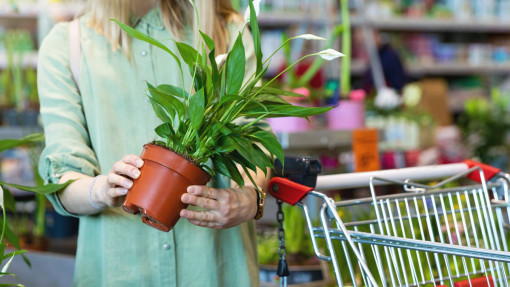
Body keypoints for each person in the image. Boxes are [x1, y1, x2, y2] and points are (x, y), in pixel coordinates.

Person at [37, 0, 268, 286]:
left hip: (217, 271)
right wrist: (101, 189)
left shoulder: (227, 32)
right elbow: (62, 175)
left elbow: (254, 141)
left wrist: (248, 199)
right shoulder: (68, 45)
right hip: (119, 272)